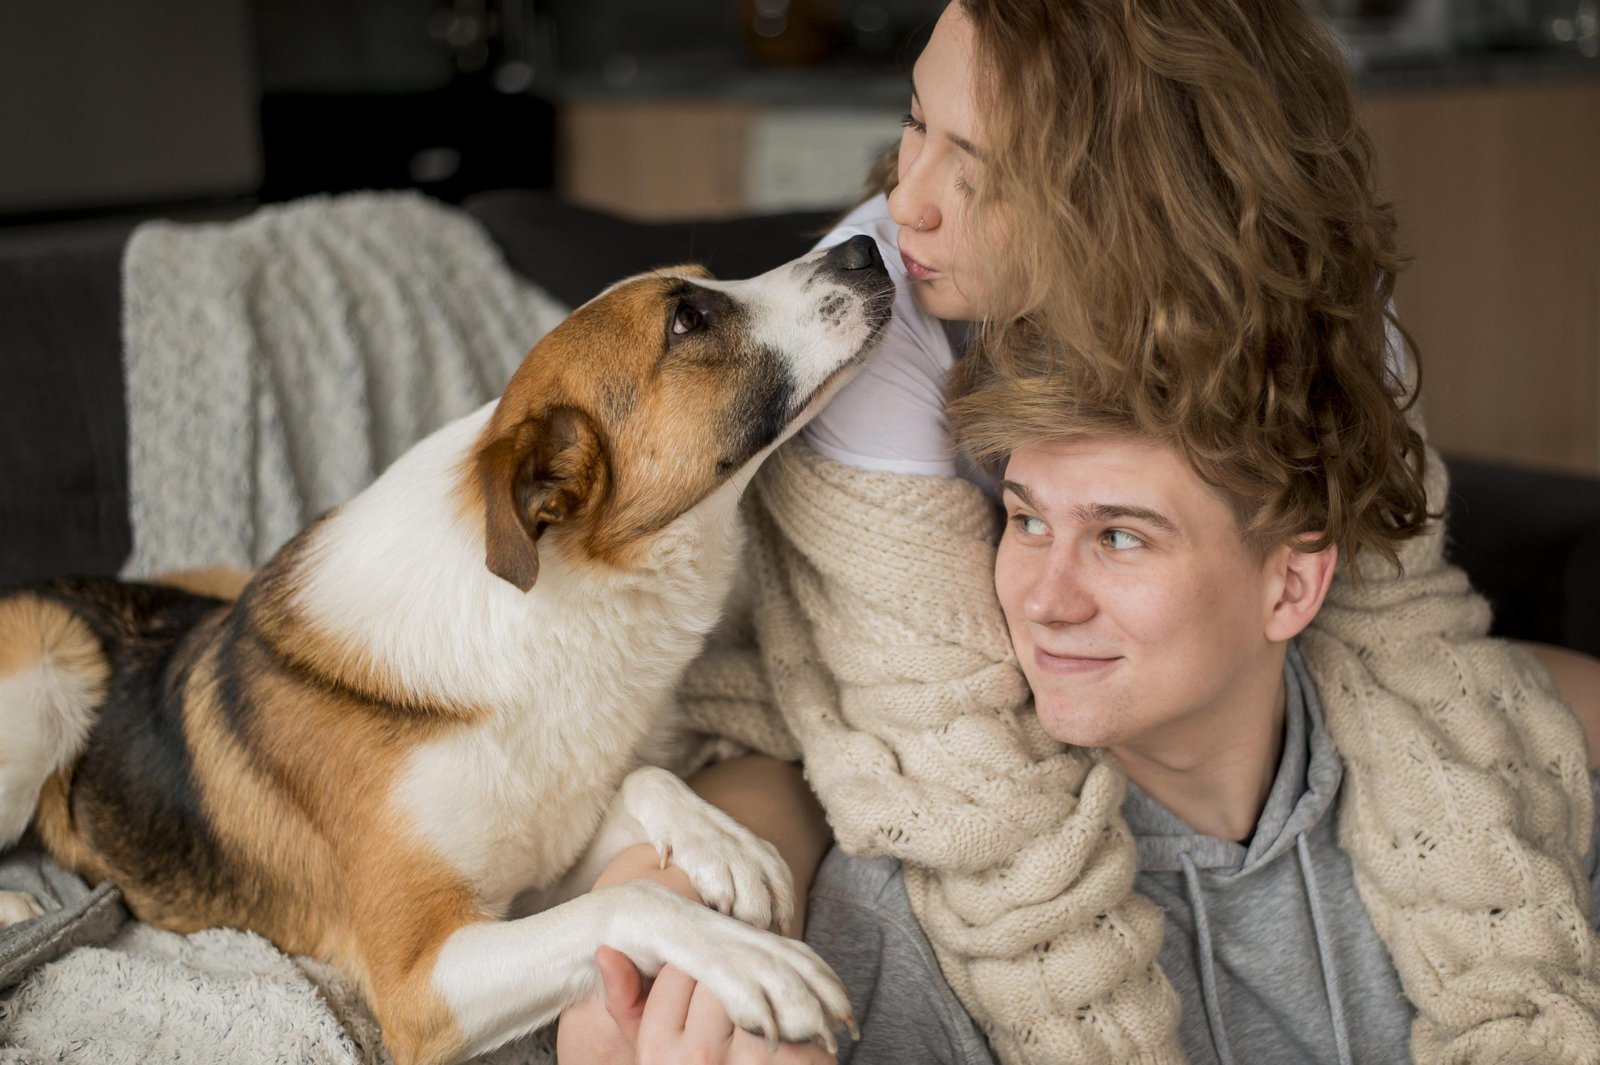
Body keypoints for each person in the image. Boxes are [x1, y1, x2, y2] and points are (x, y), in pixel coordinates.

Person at [557, 1, 1600, 1062]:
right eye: (917, 125)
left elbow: (1402, 638)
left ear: (1132, 190)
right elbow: (944, 752)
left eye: (980, 167)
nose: (904, 200)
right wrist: (668, 904)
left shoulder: (1319, 320)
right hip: (840, 713)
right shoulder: (874, 314)